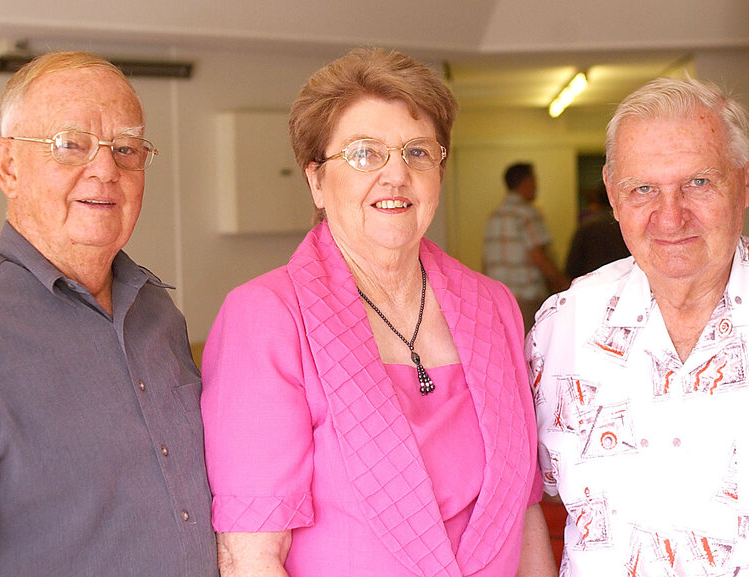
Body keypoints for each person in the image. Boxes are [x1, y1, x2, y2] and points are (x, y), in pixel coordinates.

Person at [200, 47, 556, 577]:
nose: (395, 175)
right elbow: (251, 557)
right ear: (317, 181)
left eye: (417, 152)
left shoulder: (495, 306)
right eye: (364, 153)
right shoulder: (267, 317)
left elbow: (525, 522)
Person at [527, 76, 749, 576]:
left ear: (747, 178)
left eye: (698, 182)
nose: (670, 218)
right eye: (643, 189)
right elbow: (518, 510)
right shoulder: (561, 328)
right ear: (611, 192)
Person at [0, 52, 218, 577]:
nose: (106, 169)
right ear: (8, 166)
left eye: (126, 148)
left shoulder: (157, 314)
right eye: (71, 145)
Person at [483, 162, 569, 331]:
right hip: (526, 300)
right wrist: (564, 285)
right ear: (526, 182)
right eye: (535, 179)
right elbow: (538, 256)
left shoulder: (494, 216)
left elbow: (485, 262)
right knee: (529, 353)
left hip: (498, 300)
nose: (537, 185)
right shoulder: (527, 213)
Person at [564, 185, 630, 279]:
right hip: (626, 280)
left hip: (591, 283)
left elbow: (573, 265)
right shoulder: (629, 225)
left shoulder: (587, 226)